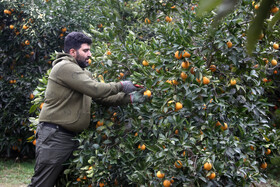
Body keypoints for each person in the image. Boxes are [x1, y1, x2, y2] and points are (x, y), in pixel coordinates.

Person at [28, 31, 149, 187]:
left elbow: (102, 98)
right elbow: (95, 89)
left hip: (69, 136)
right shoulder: (65, 67)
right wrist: (121, 85)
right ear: (72, 52)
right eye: (85, 50)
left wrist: (131, 98)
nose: (90, 54)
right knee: (42, 183)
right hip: (55, 136)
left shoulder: (82, 72)